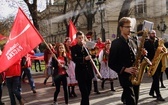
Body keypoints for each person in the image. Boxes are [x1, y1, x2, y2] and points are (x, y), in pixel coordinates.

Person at [108, 17, 141, 105]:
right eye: (127, 27)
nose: (129, 29)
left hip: (135, 74)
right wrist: (125, 69)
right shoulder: (116, 43)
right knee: (131, 100)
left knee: (136, 99)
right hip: (125, 76)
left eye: (130, 27)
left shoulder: (133, 41)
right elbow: (111, 63)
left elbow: (136, 56)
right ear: (121, 28)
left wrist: (142, 54)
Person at [71, 31, 94, 105]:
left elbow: (93, 55)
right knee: (84, 92)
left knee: (88, 91)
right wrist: (84, 58)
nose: (81, 39)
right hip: (81, 73)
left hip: (89, 72)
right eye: (79, 38)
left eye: (82, 38)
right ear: (76, 39)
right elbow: (74, 59)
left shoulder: (87, 47)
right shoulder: (74, 48)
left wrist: (91, 52)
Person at [144, 30, 165, 101]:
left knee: (156, 79)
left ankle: (151, 91)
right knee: (156, 79)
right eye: (153, 33)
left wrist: (162, 50)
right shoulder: (146, 42)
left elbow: (162, 50)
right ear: (149, 34)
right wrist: (148, 61)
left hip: (158, 63)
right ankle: (158, 95)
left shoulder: (157, 42)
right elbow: (144, 54)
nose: (154, 35)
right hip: (151, 63)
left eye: (155, 33)